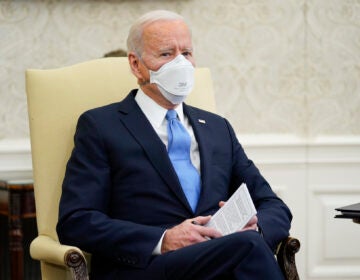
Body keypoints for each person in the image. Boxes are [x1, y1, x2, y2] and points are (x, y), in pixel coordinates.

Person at [56, 9, 292, 280]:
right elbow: (77, 221)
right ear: (136, 65)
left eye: (187, 53)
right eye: (167, 54)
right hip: (145, 267)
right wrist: (163, 238)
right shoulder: (100, 126)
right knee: (248, 249)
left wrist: (257, 228)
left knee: (248, 244)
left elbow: (272, 204)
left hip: (221, 258)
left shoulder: (218, 128)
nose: (180, 63)